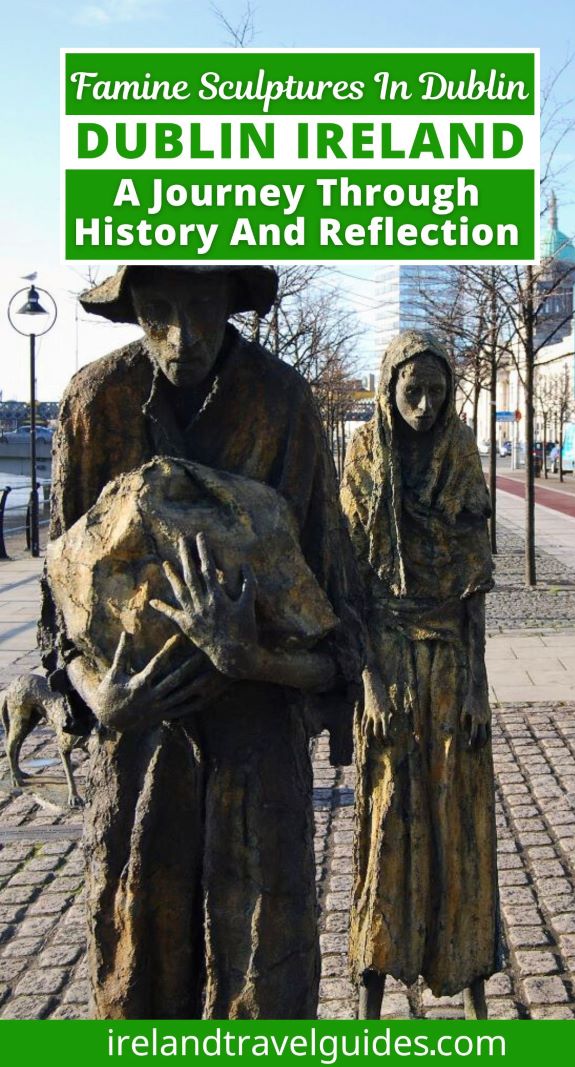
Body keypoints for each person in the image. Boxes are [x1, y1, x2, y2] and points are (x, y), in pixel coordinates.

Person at [40, 264, 361, 1020]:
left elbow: (343, 631)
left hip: (258, 760)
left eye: (205, 307)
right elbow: (60, 617)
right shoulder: (94, 404)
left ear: (231, 302)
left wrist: (252, 657)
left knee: (265, 993)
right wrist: (98, 695)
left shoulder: (283, 403)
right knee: (138, 986)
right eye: (158, 310)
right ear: (132, 309)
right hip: (140, 762)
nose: (183, 336)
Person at [340, 329, 501, 1021]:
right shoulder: (364, 460)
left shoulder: (460, 455)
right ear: (387, 387)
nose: (425, 405)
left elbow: (473, 590)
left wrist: (477, 687)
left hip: (451, 665)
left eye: (437, 391)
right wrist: (369, 682)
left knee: (460, 823)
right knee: (386, 817)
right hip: (388, 663)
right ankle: (374, 982)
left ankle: (471, 984)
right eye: (413, 391)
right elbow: (349, 585)